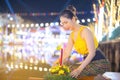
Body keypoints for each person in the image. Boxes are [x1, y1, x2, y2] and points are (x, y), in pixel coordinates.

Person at [53, 9, 111, 79]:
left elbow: (92, 53)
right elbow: (66, 53)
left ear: (73, 19)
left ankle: (100, 77)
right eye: (63, 23)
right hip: (88, 63)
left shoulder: (85, 31)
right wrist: (57, 63)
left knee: (72, 73)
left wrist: (79, 70)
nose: (65, 26)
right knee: (68, 69)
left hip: (99, 63)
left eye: (66, 22)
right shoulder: (71, 35)